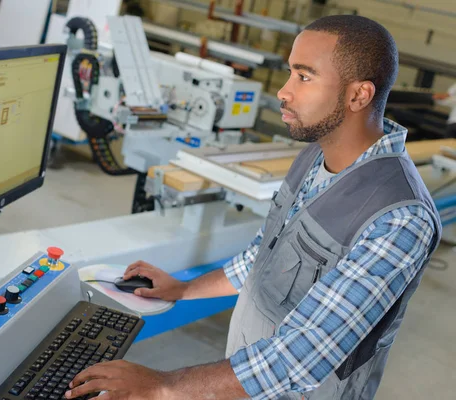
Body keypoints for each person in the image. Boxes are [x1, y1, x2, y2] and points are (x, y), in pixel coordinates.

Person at [66, 15, 441, 400]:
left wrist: (163, 386)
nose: (283, 91)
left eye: (304, 76)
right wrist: (184, 289)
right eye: (290, 73)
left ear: (358, 96)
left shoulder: (399, 216)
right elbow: (262, 257)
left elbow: (301, 357)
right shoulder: (315, 155)